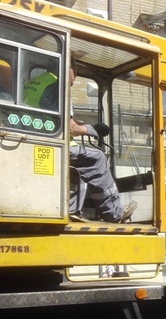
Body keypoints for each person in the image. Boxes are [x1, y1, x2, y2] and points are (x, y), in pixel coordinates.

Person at [23, 60, 136, 223]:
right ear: (68, 67)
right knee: (97, 158)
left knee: (81, 163)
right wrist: (93, 130)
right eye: (75, 73)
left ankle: (71, 209)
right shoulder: (57, 86)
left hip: (33, 142)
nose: (74, 80)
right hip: (51, 146)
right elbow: (71, 129)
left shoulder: (34, 83)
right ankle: (114, 213)